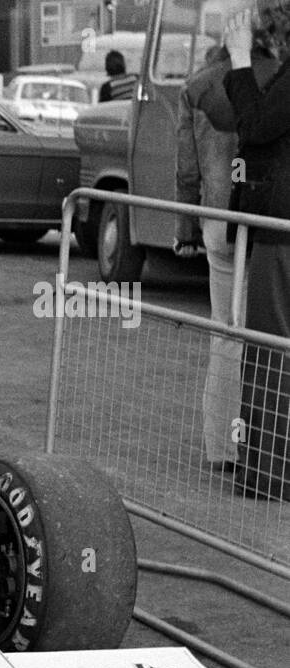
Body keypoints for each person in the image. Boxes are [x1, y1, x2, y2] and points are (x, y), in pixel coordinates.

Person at [175, 39, 279, 472]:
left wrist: (184, 228)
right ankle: (265, 441)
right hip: (264, 219)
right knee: (270, 333)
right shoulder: (274, 77)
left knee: (224, 333)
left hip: (215, 218)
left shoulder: (196, 87)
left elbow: (186, 168)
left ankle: (222, 447)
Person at [224, 1, 290, 500]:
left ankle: (268, 472)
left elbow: (257, 126)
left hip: (281, 231)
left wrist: (241, 61)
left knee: (271, 350)